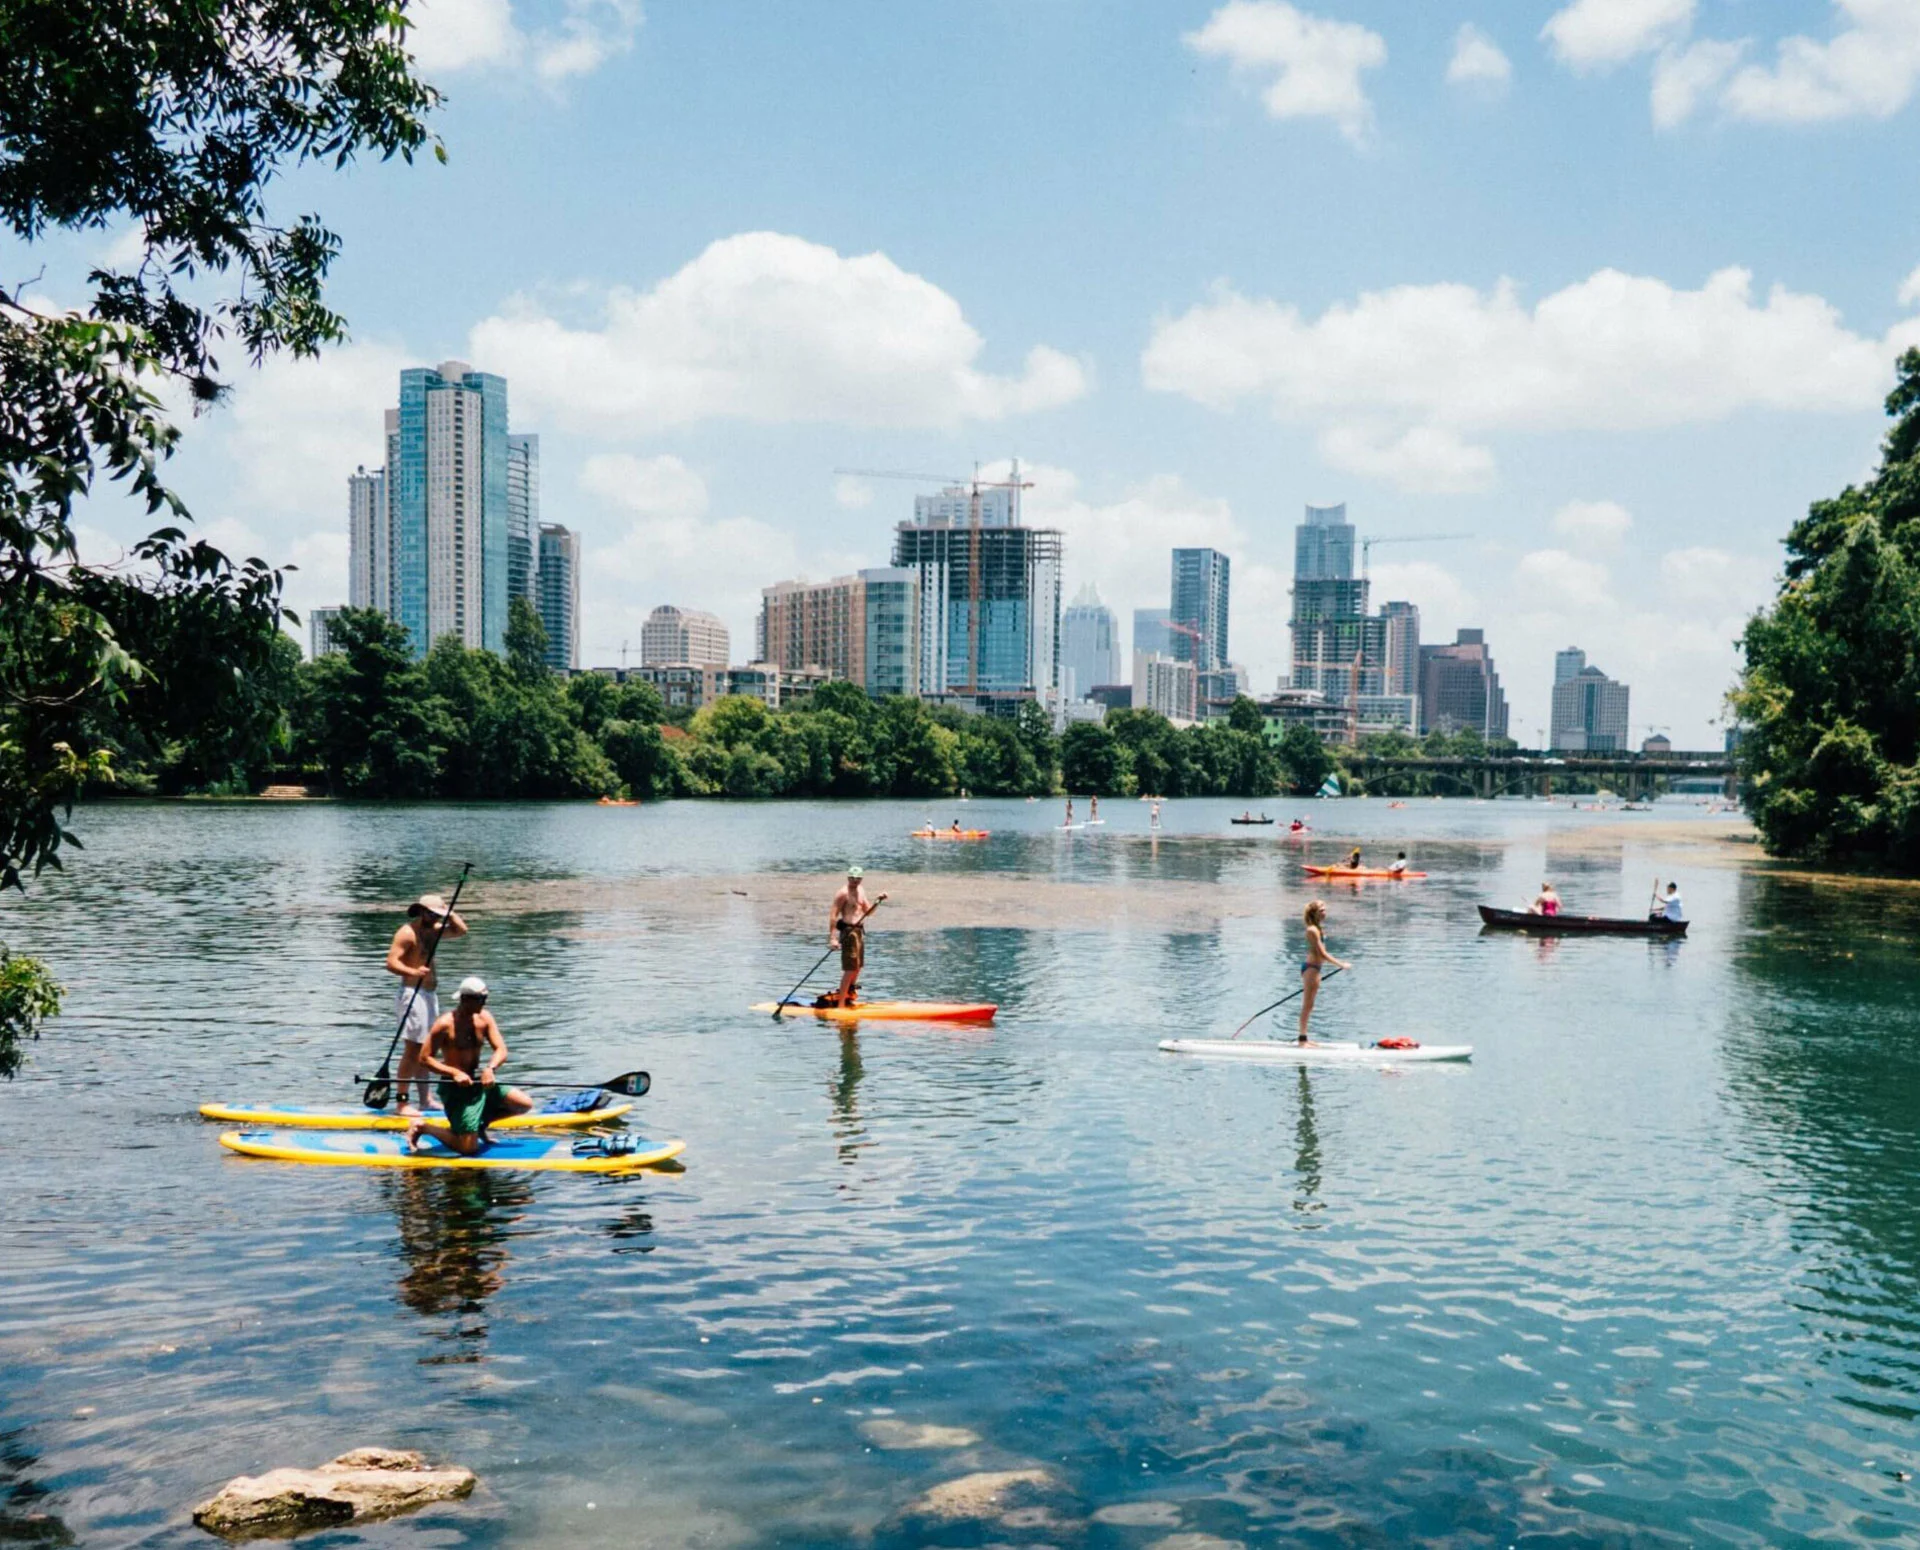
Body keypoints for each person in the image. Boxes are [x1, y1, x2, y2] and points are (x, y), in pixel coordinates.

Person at [405, 979, 533, 1155]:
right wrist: (454, 1072)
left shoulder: (485, 1018)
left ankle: (478, 1126)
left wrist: (490, 1068)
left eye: (485, 998)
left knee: (523, 1104)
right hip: (455, 1088)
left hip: (479, 1081)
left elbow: (501, 1050)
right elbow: (424, 1058)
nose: (484, 1003)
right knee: (468, 1148)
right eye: (480, 999)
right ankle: (422, 1127)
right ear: (465, 999)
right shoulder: (445, 1024)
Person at [385, 892, 468, 1114]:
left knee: (427, 1049)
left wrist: (449, 913)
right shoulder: (407, 933)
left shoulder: (434, 930)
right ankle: (402, 1102)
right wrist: (413, 970)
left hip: (429, 994)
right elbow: (391, 962)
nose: (435, 917)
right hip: (412, 993)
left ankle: (425, 1099)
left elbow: (461, 930)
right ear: (421, 911)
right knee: (412, 1049)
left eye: (437, 914)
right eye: (431, 913)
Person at [824, 865, 884, 1008]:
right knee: (850, 968)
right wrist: (832, 938)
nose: (855, 881)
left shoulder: (861, 890)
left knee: (858, 966)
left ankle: (848, 994)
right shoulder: (842, 893)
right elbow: (833, 915)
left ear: (861, 879)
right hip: (848, 933)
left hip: (859, 931)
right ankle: (841, 1005)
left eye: (858, 879)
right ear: (848, 877)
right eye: (852, 878)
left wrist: (878, 901)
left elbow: (868, 912)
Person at [1297, 900, 1352, 1044]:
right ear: (1314, 912)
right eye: (1321, 910)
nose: (1324, 912)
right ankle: (1302, 1040)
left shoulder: (1318, 928)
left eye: (1325, 909)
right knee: (1307, 1005)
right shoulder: (1312, 930)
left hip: (1315, 969)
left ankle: (1305, 1038)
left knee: (1310, 1005)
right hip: (1311, 969)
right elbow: (1322, 953)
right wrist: (1341, 964)